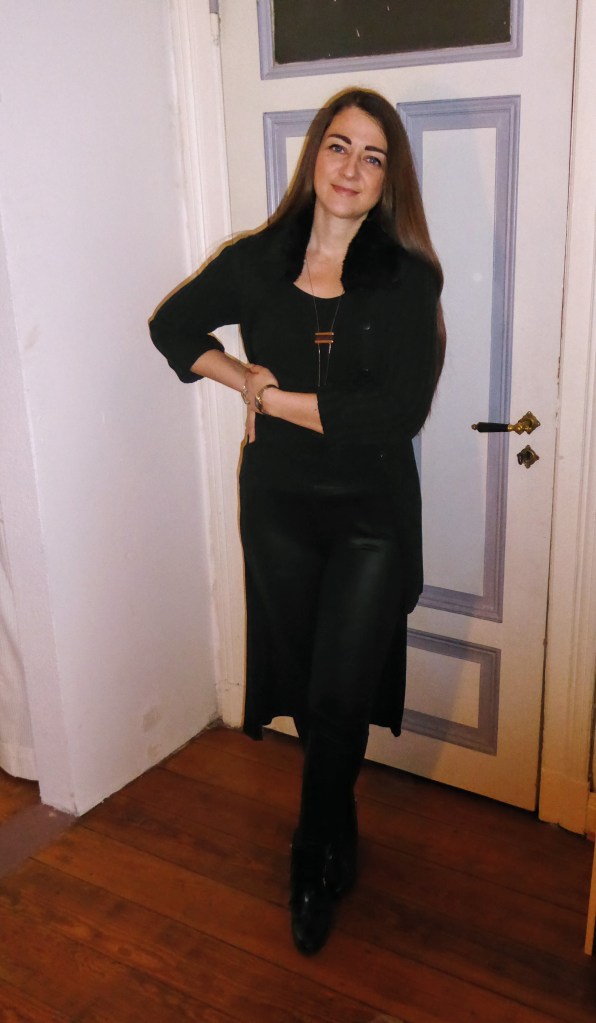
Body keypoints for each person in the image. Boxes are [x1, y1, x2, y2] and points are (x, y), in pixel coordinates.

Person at [149, 87, 445, 956]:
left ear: (388, 180)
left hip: (370, 513)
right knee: (313, 689)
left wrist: (272, 400)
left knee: (340, 686)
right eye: (339, 146)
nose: (352, 167)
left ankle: (310, 859)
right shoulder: (257, 260)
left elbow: (396, 414)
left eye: (373, 156)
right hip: (277, 506)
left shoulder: (408, 277)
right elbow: (172, 327)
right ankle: (335, 816)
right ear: (315, 154)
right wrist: (240, 376)